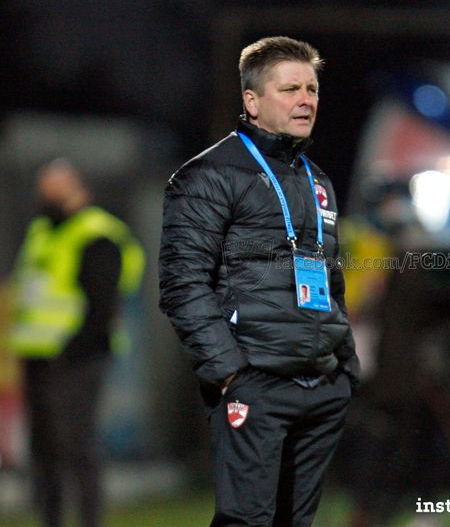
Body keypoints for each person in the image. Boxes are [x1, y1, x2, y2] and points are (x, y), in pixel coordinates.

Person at [158, 36, 358, 527]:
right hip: (257, 382)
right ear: (252, 101)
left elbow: (331, 279)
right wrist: (233, 374)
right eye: (290, 89)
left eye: (312, 89)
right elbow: (183, 283)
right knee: (247, 521)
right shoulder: (209, 174)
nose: (306, 100)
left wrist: (344, 368)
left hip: (321, 385)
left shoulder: (317, 180)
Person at [7, 159, 145, 527]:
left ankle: (89, 519)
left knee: (77, 445)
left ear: (76, 187)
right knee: (44, 449)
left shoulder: (97, 233)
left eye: (51, 189)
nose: (44, 197)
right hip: (37, 356)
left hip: (78, 358)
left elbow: (102, 306)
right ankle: (51, 519)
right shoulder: (42, 231)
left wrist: (71, 351)